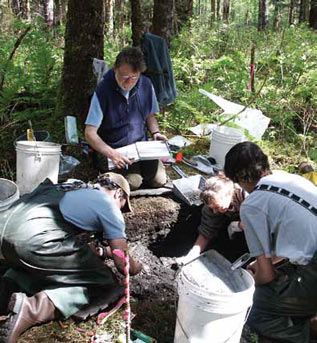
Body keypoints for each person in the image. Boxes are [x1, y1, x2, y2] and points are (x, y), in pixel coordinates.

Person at [0, 173, 142, 343]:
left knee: (49, 265)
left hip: (6, 234)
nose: (120, 211)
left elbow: (73, 243)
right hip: (35, 241)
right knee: (103, 281)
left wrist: (104, 252)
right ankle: (30, 309)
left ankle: (11, 283)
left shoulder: (72, 185)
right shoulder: (108, 206)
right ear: (118, 193)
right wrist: (136, 267)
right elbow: (122, 263)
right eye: (122, 206)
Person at [224, 141, 317, 343]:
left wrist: (247, 281)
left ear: (240, 177)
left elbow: (266, 276)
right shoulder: (291, 179)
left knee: (249, 307)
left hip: (313, 274)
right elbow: (298, 240)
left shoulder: (252, 205)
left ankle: (305, 333)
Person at [85, 46, 168, 191]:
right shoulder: (103, 90)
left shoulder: (146, 84)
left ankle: (136, 172)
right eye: (125, 76)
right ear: (115, 68)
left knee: (159, 180)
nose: (129, 82)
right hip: (115, 149)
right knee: (132, 183)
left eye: (134, 77)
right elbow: (89, 133)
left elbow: (150, 115)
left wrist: (155, 133)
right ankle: (111, 175)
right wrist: (112, 154)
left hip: (141, 148)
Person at [177, 174, 247, 265]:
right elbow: (207, 230)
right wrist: (192, 254)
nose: (214, 211)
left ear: (228, 194)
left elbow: (259, 223)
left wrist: (238, 225)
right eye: (212, 208)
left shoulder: (246, 194)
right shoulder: (211, 207)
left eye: (217, 207)